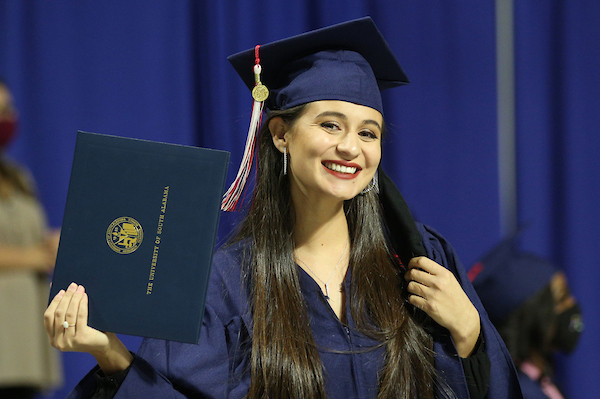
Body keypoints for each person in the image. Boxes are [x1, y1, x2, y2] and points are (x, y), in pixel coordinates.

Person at [44, 18, 522, 398]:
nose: (351, 148)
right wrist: (108, 353)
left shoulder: (418, 261)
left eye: (368, 132)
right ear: (280, 134)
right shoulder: (228, 285)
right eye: (331, 125)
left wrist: (470, 334)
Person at [0, 80, 63, 398]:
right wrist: (34, 256)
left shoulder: (17, 175)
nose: (6, 117)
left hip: (25, 332)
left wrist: (52, 245)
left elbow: (33, 239)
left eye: (8, 108)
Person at [469, 236, 584, 399]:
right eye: (562, 299)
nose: (572, 303)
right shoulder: (519, 392)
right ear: (532, 318)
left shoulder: (542, 379)